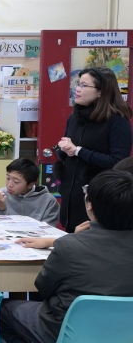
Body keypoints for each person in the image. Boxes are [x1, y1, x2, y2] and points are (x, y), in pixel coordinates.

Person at [0, 170, 133, 343]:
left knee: (3, 311)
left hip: (66, 337)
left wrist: (71, 240)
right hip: (124, 342)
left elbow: (43, 288)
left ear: (90, 206)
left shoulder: (70, 246)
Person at [56, 67, 132, 232]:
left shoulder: (117, 121)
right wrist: (63, 148)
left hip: (99, 200)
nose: (77, 89)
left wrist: (79, 151)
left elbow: (119, 163)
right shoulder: (74, 117)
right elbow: (66, 154)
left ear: (100, 91)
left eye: (84, 85)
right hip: (71, 197)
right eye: (78, 84)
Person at [0, 158, 60, 226]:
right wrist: (1, 208)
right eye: (8, 178)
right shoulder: (0, 196)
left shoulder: (48, 201)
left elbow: (49, 229)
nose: (9, 185)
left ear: (30, 185)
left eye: (16, 181)